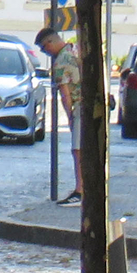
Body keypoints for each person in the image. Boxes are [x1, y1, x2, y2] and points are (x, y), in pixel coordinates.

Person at [37, 26, 84, 200]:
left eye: (44, 47)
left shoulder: (60, 62)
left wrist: (70, 116)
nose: (45, 52)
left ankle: (80, 190)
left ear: (51, 42)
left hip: (80, 106)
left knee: (78, 149)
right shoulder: (75, 51)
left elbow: (65, 94)